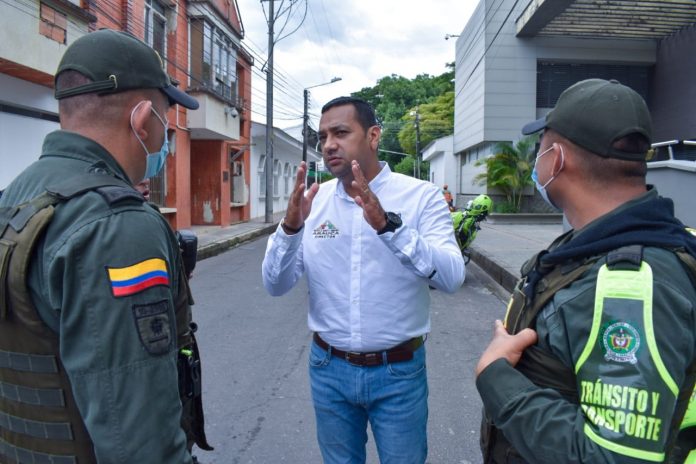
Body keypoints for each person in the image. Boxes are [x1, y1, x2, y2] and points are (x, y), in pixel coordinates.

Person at [0, 29, 212, 462]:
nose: (164, 138)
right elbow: (139, 439)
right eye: (165, 121)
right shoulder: (118, 225)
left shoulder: (15, 196)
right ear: (141, 119)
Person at [475, 78, 696, 463]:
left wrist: (496, 376)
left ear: (556, 158)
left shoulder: (629, 282)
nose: (535, 157)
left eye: (541, 143)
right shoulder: (588, 248)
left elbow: (612, 457)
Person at [262, 96, 466, 463]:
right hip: (328, 371)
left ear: (373, 136)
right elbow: (275, 284)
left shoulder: (421, 196)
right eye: (323, 136)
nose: (328, 145)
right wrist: (290, 227)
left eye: (340, 132)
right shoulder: (312, 201)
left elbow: (452, 277)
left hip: (399, 372)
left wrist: (389, 227)